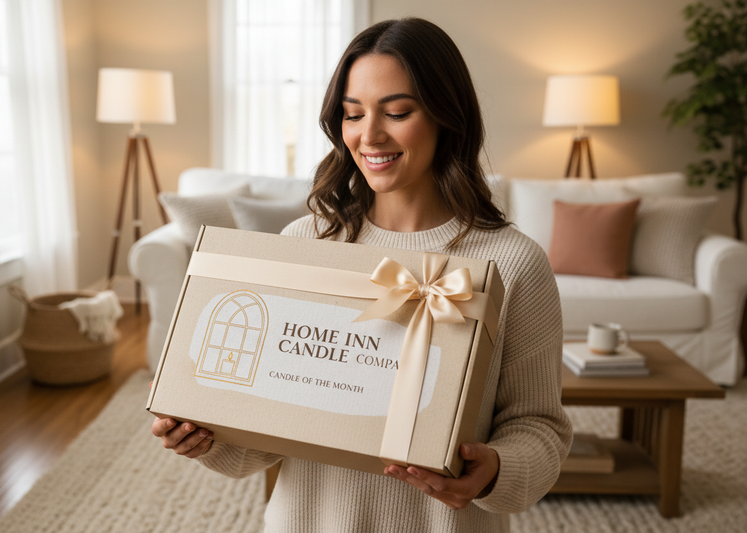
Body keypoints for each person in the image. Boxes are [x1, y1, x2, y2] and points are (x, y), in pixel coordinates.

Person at [152, 17, 572, 532]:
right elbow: (259, 442)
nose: (369, 135)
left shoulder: (512, 263)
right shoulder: (305, 243)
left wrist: (494, 470)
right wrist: (205, 437)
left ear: (448, 115)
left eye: (397, 112)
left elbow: (540, 428)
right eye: (353, 114)